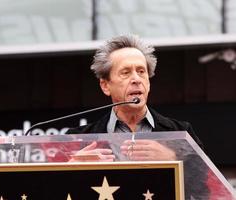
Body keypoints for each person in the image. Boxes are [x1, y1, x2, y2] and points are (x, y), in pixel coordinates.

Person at [66, 34, 204, 162]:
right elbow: (54, 186)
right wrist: (72, 168)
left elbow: (204, 183)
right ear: (105, 86)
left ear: (148, 83)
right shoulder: (78, 139)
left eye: (141, 72)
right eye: (125, 73)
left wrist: (174, 159)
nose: (136, 79)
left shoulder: (181, 133)